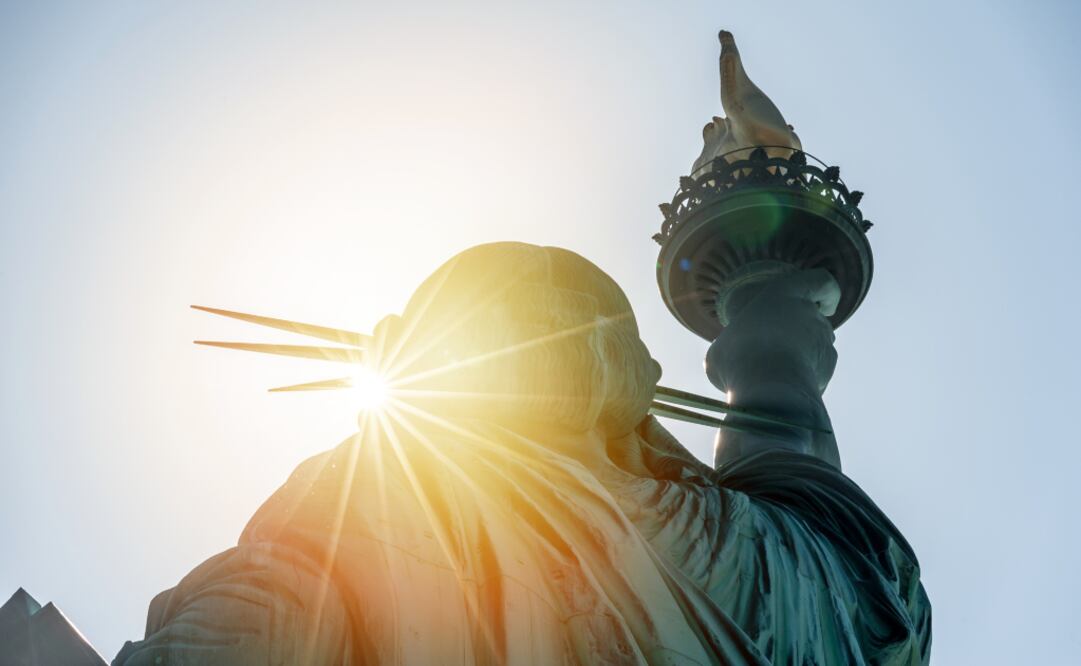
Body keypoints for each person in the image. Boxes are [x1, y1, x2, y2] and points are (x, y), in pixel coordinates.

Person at [114, 242, 929, 665]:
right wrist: (768, 304)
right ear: (633, 379)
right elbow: (848, 548)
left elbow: (257, 621)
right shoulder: (759, 552)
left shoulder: (380, 489)